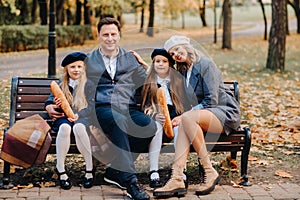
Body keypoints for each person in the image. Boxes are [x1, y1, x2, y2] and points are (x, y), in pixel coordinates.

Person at [153, 35, 241, 198]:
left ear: (186, 46)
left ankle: (209, 170)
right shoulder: (184, 71)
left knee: (186, 119)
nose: (176, 55)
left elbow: (211, 100)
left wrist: (186, 115)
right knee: (183, 123)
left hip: (223, 112)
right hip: (201, 116)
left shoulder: (205, 64)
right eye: (172, 54)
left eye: (177, 49)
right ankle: (177, 177)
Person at [84, 17, 158, 200]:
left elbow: (148, 82)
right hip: (102, 109)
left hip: (128, 107)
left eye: (113, 34)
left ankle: (116, 170)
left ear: (119, 35)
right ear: (99, 36)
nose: (110, 38)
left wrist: (144, 64)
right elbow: (69, 81)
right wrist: (51, 102)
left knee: (150, 127)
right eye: (105, 34)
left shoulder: (129, 59)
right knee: (119, 122)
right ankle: (131, 182)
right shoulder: (88, 60)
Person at [133, 48, 189, 188]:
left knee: (179, 131)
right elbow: (145, 106)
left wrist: (181, 117)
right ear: (153, 64)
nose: (160, 64)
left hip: (175, 113)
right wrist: (153, 115)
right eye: (157, 61)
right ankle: (153, 171)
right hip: (157, 114)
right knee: (156, 128)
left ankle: (180, 170)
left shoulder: (177, 80)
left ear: (170, 64)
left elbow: (185, 103)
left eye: (164, 61)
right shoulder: (149, 80)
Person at [45, 52, 95, 190]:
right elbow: (49, 101)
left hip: (83, 118)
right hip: (64, 119)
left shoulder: (89, 85)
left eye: (80, 66)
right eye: (72, 67)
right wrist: (52, 106)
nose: (76, 70)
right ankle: (61, 170)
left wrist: (79, 114)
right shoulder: (62, 85)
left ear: (84, 68)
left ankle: (89, 170)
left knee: (79, 128)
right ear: (66, 69)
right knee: (65, 128)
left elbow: (92, 106)